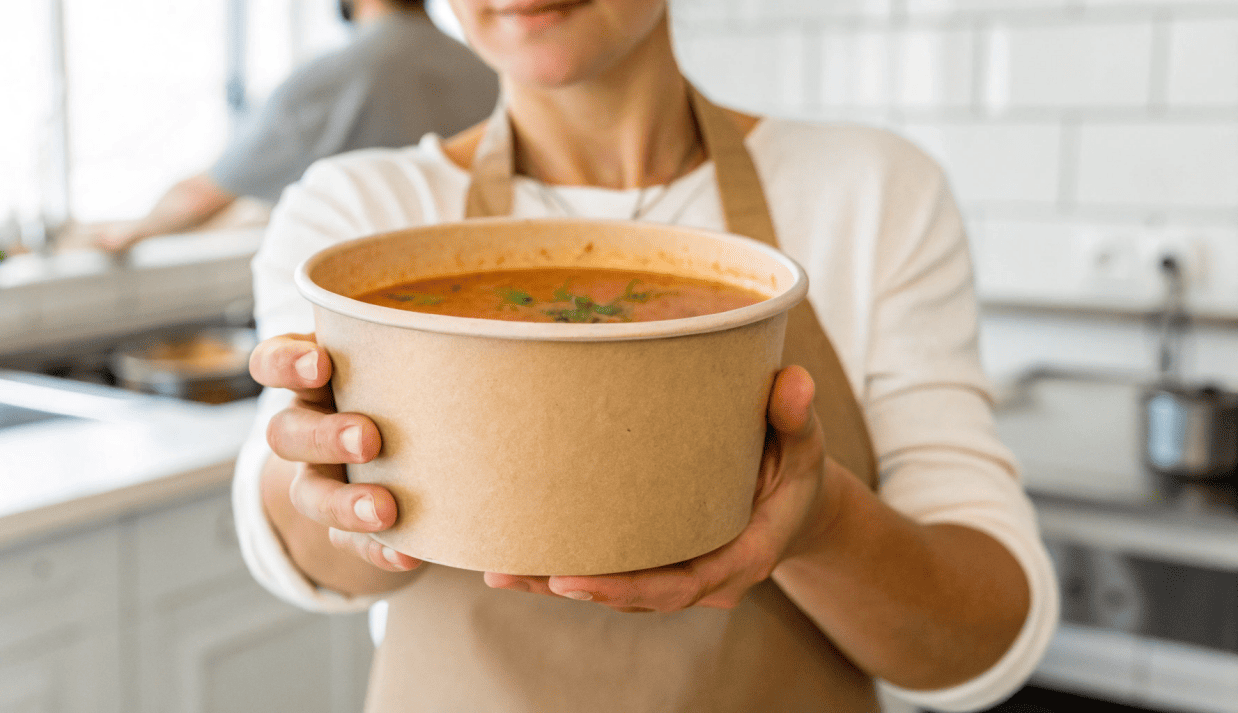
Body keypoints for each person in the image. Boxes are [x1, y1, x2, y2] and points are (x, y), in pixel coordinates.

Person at [234, 1, 1059, 711]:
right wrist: (335, 493)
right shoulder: (358, 219)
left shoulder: (874, 194)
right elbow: (299, 535)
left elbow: (981, 642)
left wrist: (820, 523)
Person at [91, 0, 498, 252]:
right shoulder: (488, 70)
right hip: (484, 285)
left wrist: (130, 232)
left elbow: (204, 195)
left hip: (369, 305)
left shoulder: (340, 75)